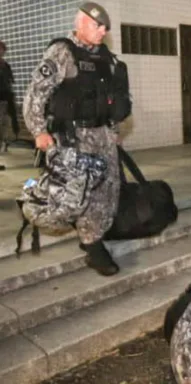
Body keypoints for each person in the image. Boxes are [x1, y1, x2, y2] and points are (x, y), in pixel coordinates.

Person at [23, 2, 127, 276]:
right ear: (80, 23)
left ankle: (94, 233)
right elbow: (36, 94)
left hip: (103, 136)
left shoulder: (105, 58)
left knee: (108, 191)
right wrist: (39, 132)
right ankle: (93, 247)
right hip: (74, 138)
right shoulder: (62, 52)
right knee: (80, 194)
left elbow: (110, 99)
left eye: (106, 27)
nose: (103, 31)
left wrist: (113, 131)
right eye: (98, 25)